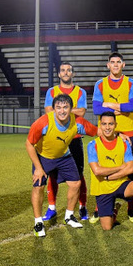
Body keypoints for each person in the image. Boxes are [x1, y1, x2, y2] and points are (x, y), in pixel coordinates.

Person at [26, 94, 97, 237]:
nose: (62, 111)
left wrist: (118, 134)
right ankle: (38, 222)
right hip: (43, 157)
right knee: (38, 185)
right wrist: (39, 168)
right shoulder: (43, 122)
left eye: (65, 107)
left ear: (71, 109)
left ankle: (69, 216)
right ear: (53, 109)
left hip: (64, 156)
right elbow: (29, 144)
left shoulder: (77, 122)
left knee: (76, 183)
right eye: (58, 107)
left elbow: (98, 132)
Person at [87, 112, 133, 245]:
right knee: (107, 227)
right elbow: (97, 170)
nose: (107, 127)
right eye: (104, 124)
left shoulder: (124, 143)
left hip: (120, 183)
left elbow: (129, 169)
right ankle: (115, 209)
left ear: (115, 125)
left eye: (110, 124)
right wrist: (120, 167)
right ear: (100, 125)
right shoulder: (92, 145)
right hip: (102, 188)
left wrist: (108, 176)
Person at [92, 52, 133, 221]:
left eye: (119, 62)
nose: (116, 65)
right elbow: (97, 109)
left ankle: (131, 209)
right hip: (106, 132)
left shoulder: (131, 83)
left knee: (129, 170)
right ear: (108, 65)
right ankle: (101, 207)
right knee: (104, 169)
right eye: (112, 62)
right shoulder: (101, 84)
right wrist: (119, 108)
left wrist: (108, 104)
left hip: (127, 132)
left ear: (123, 65)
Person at [43, 61, 90, 221]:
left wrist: (61, 110)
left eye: (69, 70)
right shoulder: (52, 91)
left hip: (75, 139)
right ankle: (51, 208)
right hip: (55, 138)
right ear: (59, 74)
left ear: (73, 74)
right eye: (62, 70)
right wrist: (71, 111)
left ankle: (82, 207)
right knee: (53, 175)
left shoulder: (80, 92)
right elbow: (48, 110)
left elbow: (82, 112)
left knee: (79, 175)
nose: (65, 73)